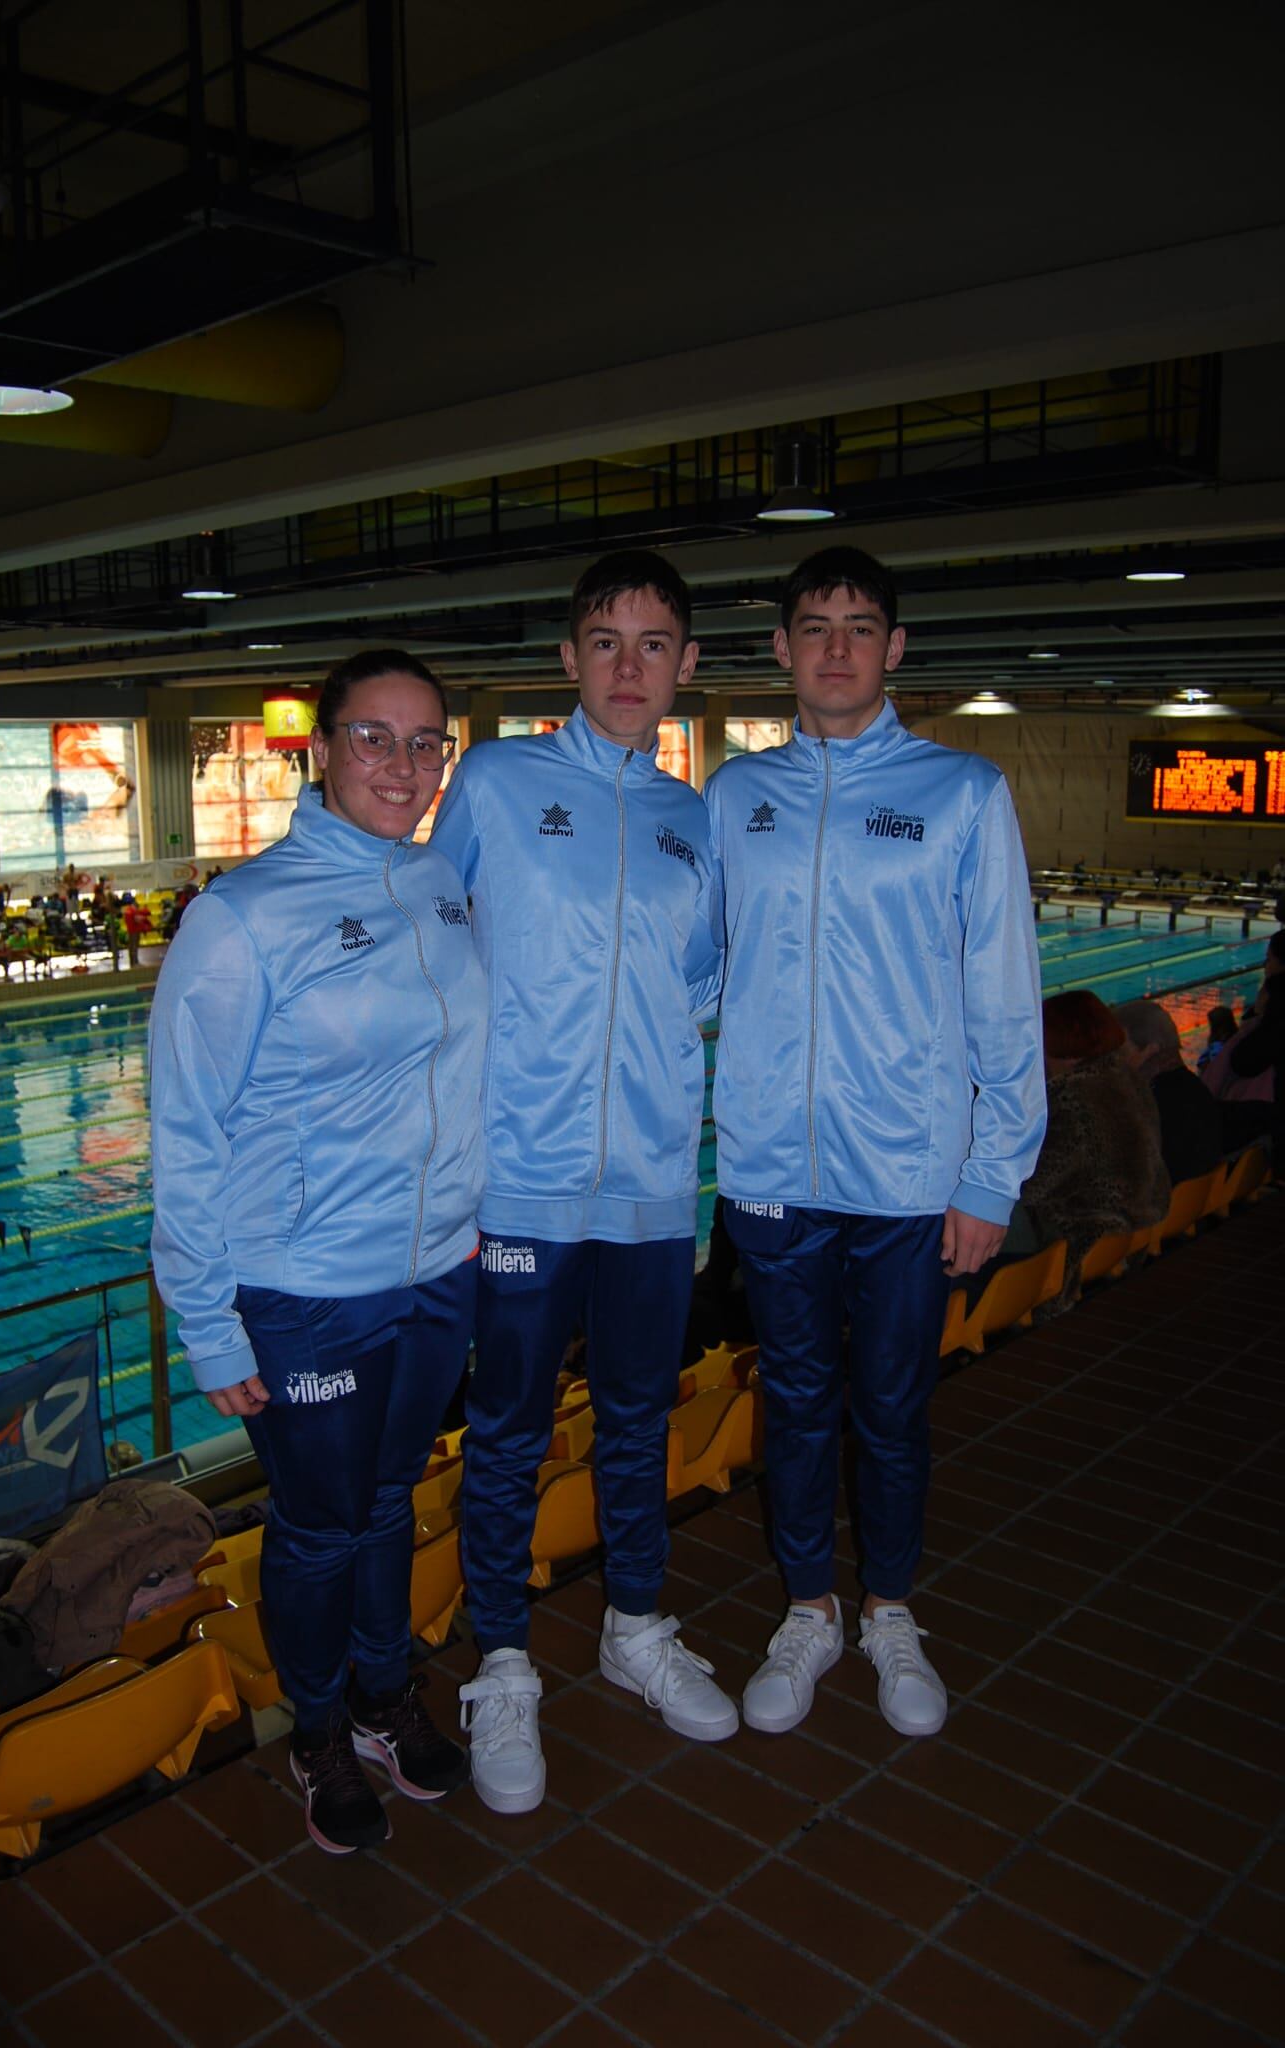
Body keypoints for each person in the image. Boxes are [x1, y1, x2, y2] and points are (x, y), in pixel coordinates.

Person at [704, 544, 1044, 1743]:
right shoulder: (735, 796)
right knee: (795, 1402)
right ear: (783, 649)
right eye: (814, 625)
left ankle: (891, 1606)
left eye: (860, 625)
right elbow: (697, 963)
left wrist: (989, 1171)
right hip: (770, 1172)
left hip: (907, 1171)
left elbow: (1003, 994)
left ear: (895, 648)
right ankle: (810, 1608)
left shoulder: (963, 791)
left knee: (893, 1405)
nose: (837, 645)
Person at [150, 650, 487, 1856]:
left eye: (424, 742)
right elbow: (186, 1127)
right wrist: (205, 1314)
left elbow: (459, 1077)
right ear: (323, 749)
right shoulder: (243, 917)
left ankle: (387, 1690)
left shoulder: (444, 884)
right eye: (374, 738)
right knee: (316, 1520)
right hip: (305, 1290)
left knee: (389, 1496)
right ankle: (319, 1726)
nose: (402, 765)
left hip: (437, 1273)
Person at [431, 549, 729, 1815]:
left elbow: (704, 984)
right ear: (567, 657)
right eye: (605, 641)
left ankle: (635, 1625)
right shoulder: (496, 781)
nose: (628, 666)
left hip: (654, 1188)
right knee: (502, 1432)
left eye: (653, 643)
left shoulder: (691, 817)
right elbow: (429, 949)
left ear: (687, 667)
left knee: (638, 1417)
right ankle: (502, 1661)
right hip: (521, 1186)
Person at [1015, 992, 1169, 1315]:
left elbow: (1030, 1188)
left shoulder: (1072, 1100)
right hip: (1135, 1225)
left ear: (1057, 1043)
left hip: (1083, 1239)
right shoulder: (1126, 1078)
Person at [1114, 1000, 1223, 1184]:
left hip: (1164, 1204)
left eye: (1122, 1051)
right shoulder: (1192, 1086)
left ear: (1151, 1050)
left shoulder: (1153, 1102)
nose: (1116, 1060)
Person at [1224, 928, 1285, 1156]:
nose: (1265, 967)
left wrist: (1256, 1016)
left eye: (1268, 960)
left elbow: (1245, 1062)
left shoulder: (1278, 1001)